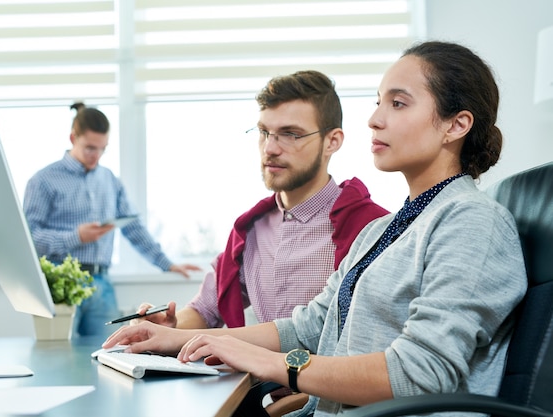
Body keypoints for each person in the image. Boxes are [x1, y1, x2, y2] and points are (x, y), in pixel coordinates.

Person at [103, 41, 528, 417]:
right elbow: (308, 327)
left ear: (456, 125)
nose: (375, 120)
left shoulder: (473, 221)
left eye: (398, 104)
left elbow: (419, 373)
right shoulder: (384, 229)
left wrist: (271, 364)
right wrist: (176, 340)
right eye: (379, 102)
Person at [134, 70, 388, 332]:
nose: (270, 148)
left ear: (331, 142)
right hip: (259, 373)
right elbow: (205, 310)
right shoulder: (250, 231)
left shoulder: (372, 228)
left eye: (291, 134)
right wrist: (168, 326)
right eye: (264, 132)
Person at [23, 102, 200, 337]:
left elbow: (133, 227)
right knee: (56, 352)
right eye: (89, 148)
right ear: (72, 138)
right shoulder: (43, 181)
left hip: (101, 285)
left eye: (102, 149)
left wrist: (166, 263)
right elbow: (28, 238)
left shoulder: (109, 180)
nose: (96, 156)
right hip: (60, 285)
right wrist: (76, 237)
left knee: (107, 353)